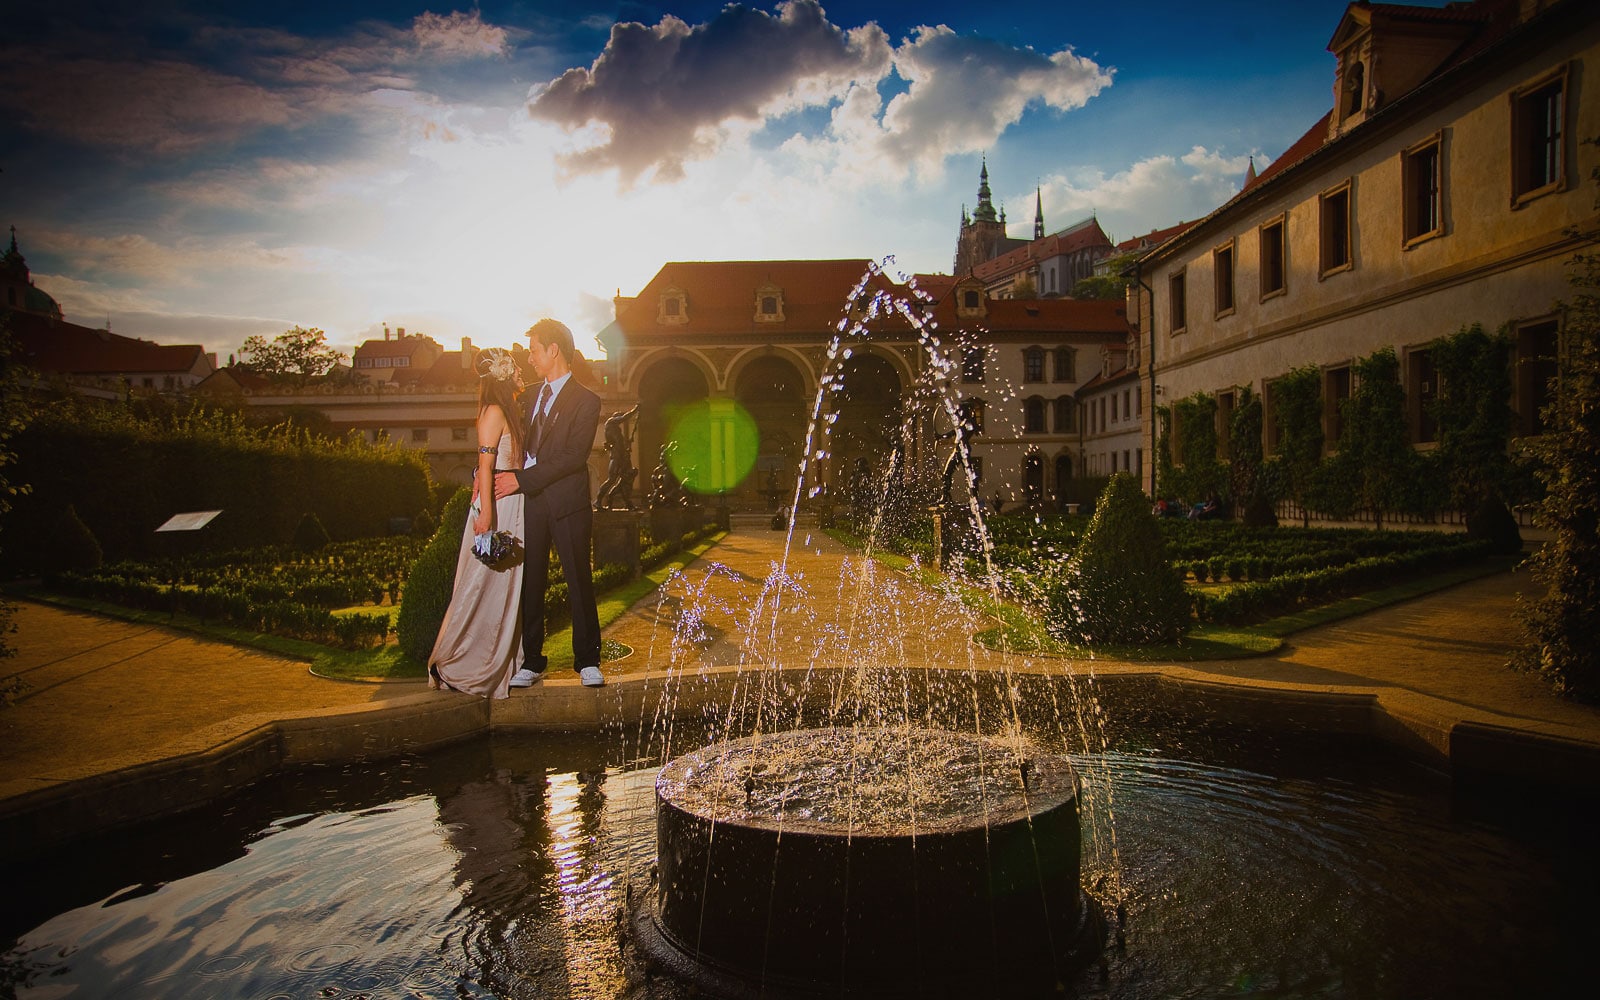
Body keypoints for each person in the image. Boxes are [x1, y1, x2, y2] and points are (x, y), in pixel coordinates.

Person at [494, 319, 605, 688]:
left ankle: (588, 660)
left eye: (534, 349)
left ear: (553, 350)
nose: (529, 357)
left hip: (568, 504)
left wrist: (520, 480)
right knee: (531, 582)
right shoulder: (525, 396)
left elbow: (573, 457)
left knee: (578, 580)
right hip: (531, 504)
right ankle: (532, 661)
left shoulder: (587, 401)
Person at [427, 348, 527, 698]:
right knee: (479, 583)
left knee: (502, 586)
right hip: (495, 504)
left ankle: (499, 661)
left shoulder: (510, 410)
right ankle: (453, 664)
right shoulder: (494, 412)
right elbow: (485, 466)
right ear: (501, 375)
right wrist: (486, 513)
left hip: (511, 501)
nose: (520, 372)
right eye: (514, 368)